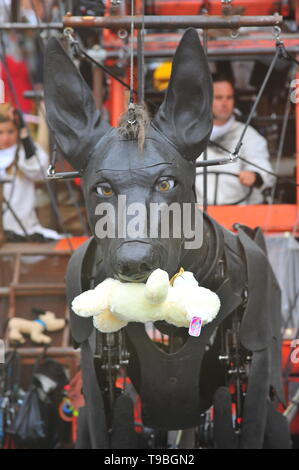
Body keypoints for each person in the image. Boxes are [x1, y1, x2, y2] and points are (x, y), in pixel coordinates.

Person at [195, 75, 275, 205]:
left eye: (229, 97)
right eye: (218, 98)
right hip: (198, 214)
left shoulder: (248, 135)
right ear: (205, 100)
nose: (224, 103)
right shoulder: (188, 135)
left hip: (239, 213)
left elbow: (261, 164)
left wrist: (254, 175)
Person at [0, 102, 61, 241]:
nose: (5, 138)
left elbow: (39, 171)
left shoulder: (23, 152)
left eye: (10, 131)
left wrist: (26, 141)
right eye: (0, 132)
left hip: (22, 228)